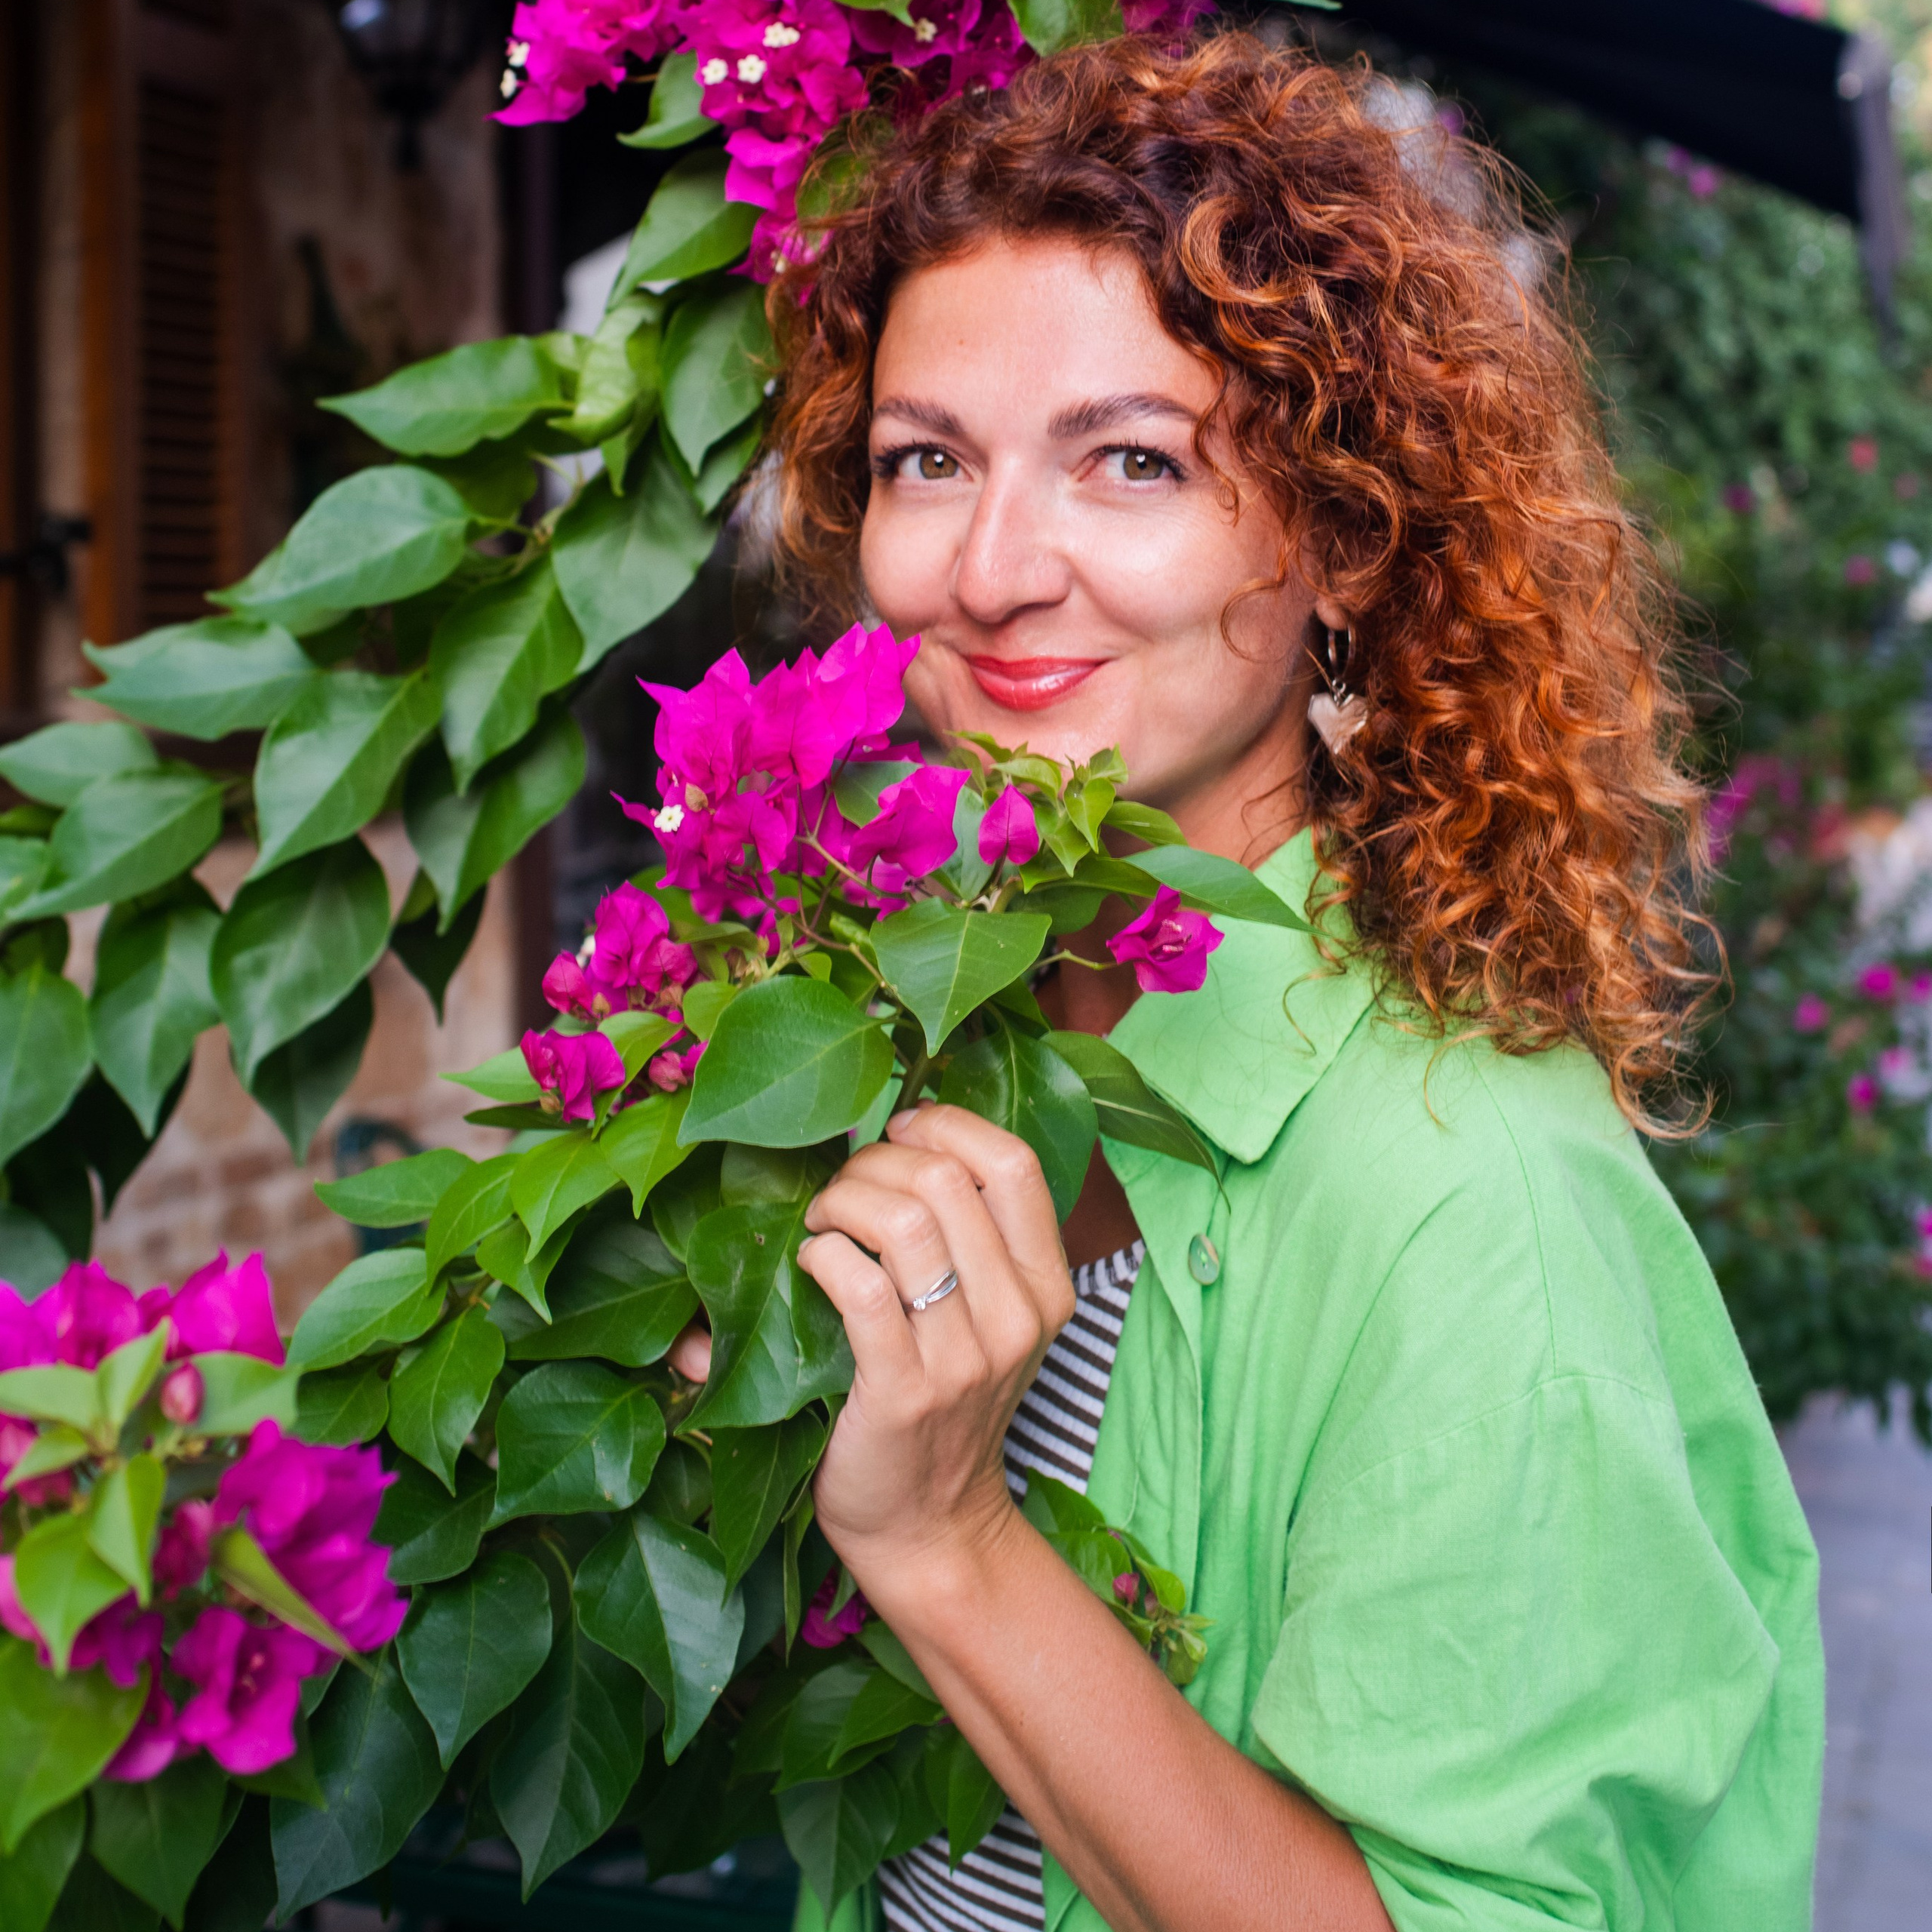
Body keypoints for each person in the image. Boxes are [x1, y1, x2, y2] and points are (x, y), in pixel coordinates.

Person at [670, 29, 1823, 1932]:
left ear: (1341, 536)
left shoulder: (1474, 1209)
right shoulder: (929, 1029)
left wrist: (946, 1537)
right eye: (924, 460)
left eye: (1129, 459)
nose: (989, 569)